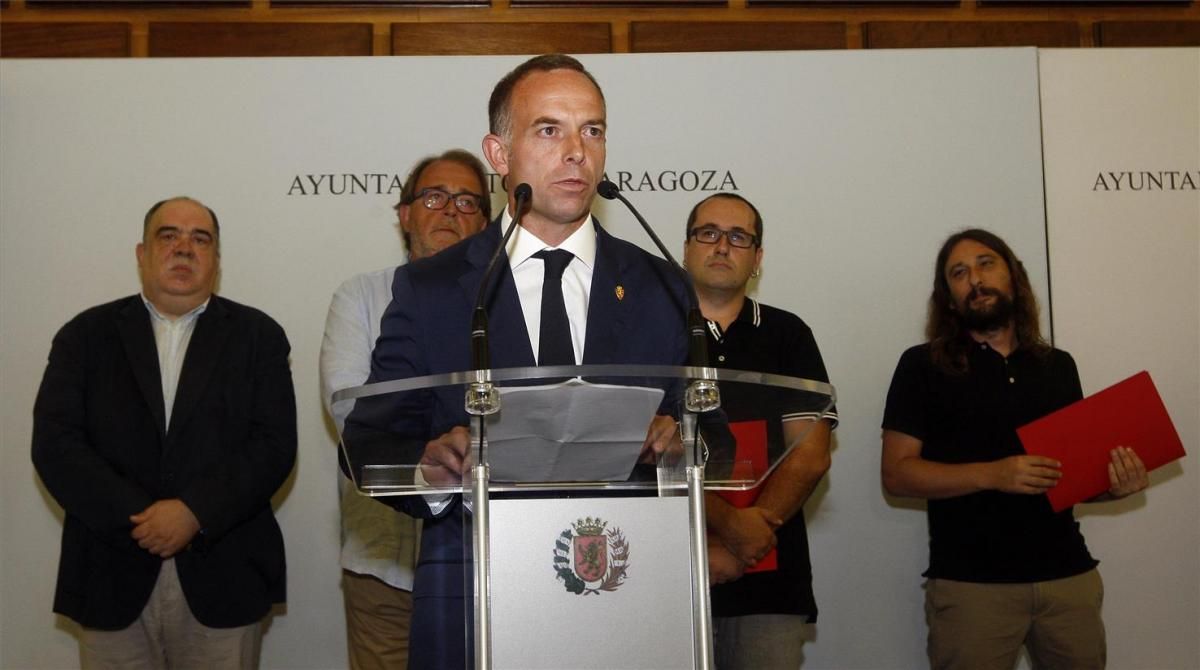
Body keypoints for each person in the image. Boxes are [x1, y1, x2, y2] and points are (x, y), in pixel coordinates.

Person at [350, 53, 690, 669]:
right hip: (475, 596)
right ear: (500, 155)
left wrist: (679, 443)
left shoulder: (661, 286)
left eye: (593, 130)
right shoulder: (433, 289)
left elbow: (713, 437)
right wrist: (428, 465)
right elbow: (369, 443)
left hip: (630, 595)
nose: (577, 152)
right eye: (549, 129)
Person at [32, 196, 297, 669]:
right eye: (168, 235)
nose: (184, 248)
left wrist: (194, 512)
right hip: (111, 569)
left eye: (201, 239)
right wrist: (142, 518)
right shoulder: (85, 335)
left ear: (216, 259)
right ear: (141, 253)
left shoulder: (259, 336)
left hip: (224, 571)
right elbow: (56, 445)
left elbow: (273, 446)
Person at [880, 228, 1149, 670]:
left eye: (986, 264)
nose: (975, 279)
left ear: (1013, 276)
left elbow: (1073, 476)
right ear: (949, 297)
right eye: (959, 273)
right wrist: (994, 474)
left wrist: (1115, 485)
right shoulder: (922, 365)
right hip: (973, 588)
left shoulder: (1057, 366)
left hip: (1069, 580)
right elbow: (897, 474)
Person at [320, 149, 489, 670]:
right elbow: (352, 408)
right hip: (383, 568)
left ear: (485, 221)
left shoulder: (506, 301)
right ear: (405, 214)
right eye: (434, 197)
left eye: (467, 201)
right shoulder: (361, 296)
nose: (450, 211)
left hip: (488, 565)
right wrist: (449, 435)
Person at [683, 193, 837, 669]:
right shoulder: (650, 331)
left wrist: (747, 540)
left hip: (770, 581)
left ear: (758, 258)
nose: (722, 246)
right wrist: (725, 532)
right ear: (686, 248)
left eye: (738, 237)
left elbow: (810, 455)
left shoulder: (788, 334)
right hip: (672, 573)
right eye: (708, 233)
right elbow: (637, 453)